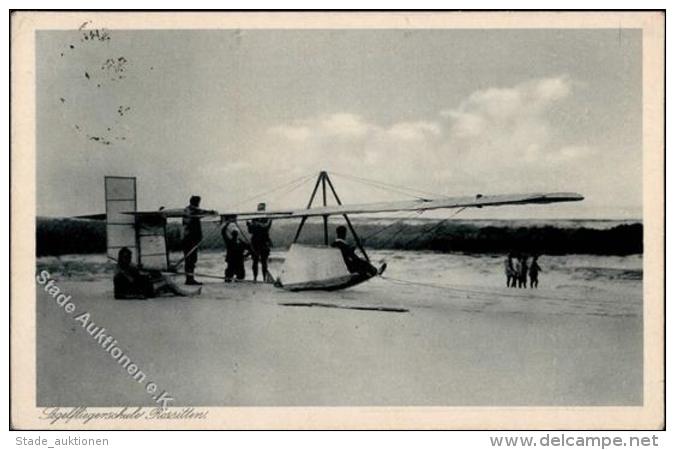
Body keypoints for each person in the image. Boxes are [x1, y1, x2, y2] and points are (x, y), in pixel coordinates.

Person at [113, 247, 200, 299]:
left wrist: (152, 273)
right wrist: (138, 297)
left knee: (164, 278)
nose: (128, 259)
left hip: (145, 286)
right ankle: (188, 294)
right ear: (120, 257)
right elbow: (118, 295)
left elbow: (141, 271)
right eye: (126, 257)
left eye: (129, 257)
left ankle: (179, 292)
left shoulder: (128, 265)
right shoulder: (120, 273)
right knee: (167, 283)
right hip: (145, 291)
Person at [182, 195, 215, 285]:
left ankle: (189, 278)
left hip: (189, 238)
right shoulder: (192, 210)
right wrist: (212, 212)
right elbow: (201, 212)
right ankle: (189, 279)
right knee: (190, 259)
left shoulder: (189, 210)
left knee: (191, 259)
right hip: (190, 239)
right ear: (196, 202)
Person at [246, 203, 273, 283]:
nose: (260, 210)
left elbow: (266, 227)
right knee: (255, 261)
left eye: (261, 209)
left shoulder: (268, 218)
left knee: (264, 261)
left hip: (264, 241)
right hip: (255, 241)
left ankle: (264, 278)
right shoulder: (254, 218)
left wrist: (256, 225)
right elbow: (250, 231)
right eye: (259, 209)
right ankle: (255, 278)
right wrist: (249, 225)